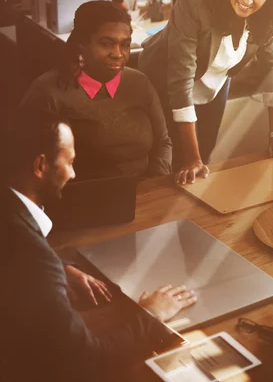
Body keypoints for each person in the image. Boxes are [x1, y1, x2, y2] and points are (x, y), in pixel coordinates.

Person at [0, 110, 196, 382]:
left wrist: (62, 267)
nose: (73, 173)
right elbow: (88, 360)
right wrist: (151, 313)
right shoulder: (35, 261)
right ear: (40, 165)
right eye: (68, 161)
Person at [139, 0, 273, 185]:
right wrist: (192, 158)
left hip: (216, 79)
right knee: (172, 160)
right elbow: (180, 79)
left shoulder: (269, 15)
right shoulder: (194, 1)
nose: (247, 0)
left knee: (206, 152)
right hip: (165, 81)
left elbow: (272, 69)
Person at [20, 0, 171, 181]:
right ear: (81, 44)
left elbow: (163, 143)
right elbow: (29, 164)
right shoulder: (49, 91)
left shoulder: (139, 82)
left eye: (125, 44)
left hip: (146, 195)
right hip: (82, 201)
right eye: (107, 44)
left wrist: (156, 186)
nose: (118, 53)